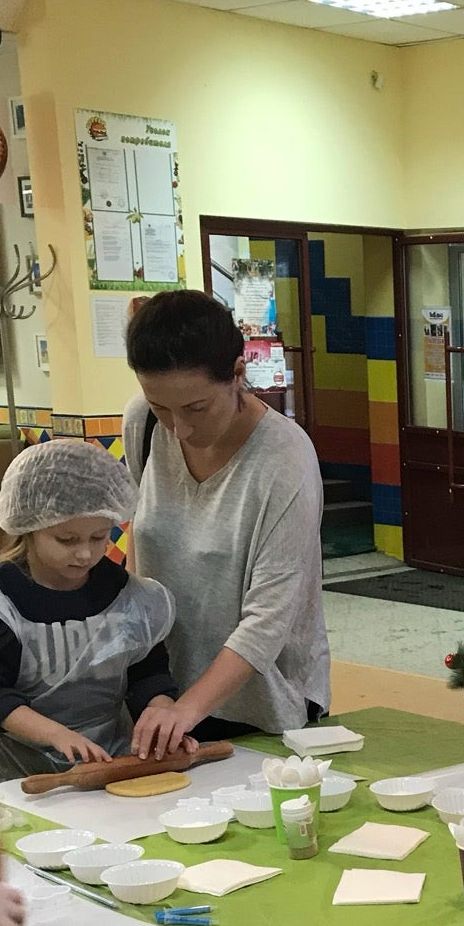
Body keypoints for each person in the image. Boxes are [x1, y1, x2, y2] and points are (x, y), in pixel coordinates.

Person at [121, 291, 330, 756]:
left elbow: (267, 622)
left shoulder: (284, 459)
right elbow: (139, 539)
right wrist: (145, 674)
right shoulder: (142, 424)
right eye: (160, 406)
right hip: (160, 693)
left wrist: (187, 710)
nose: (179, 428)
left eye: (196, 408)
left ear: (238, 373)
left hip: (258, 710)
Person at [0, 443, 180, 793]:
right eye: (66, 539)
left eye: (100, 537)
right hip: (9, 765)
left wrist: (162, 716)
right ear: (29, 527)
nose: (85, 553)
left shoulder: (129, 599)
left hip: (103, 758)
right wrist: (57, 735)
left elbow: (148, 675)